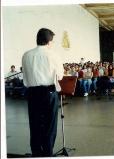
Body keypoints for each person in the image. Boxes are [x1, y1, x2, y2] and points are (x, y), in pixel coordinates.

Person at [22, 28, 63, 157]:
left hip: (32, 93)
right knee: (49, 127)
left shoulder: (26, 54)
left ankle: (36, 154)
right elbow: (60, 76)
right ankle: (47, 154)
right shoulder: (53, 55)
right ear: (49, 41)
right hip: (48, 93)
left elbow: (26, 75)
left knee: (34, 125)